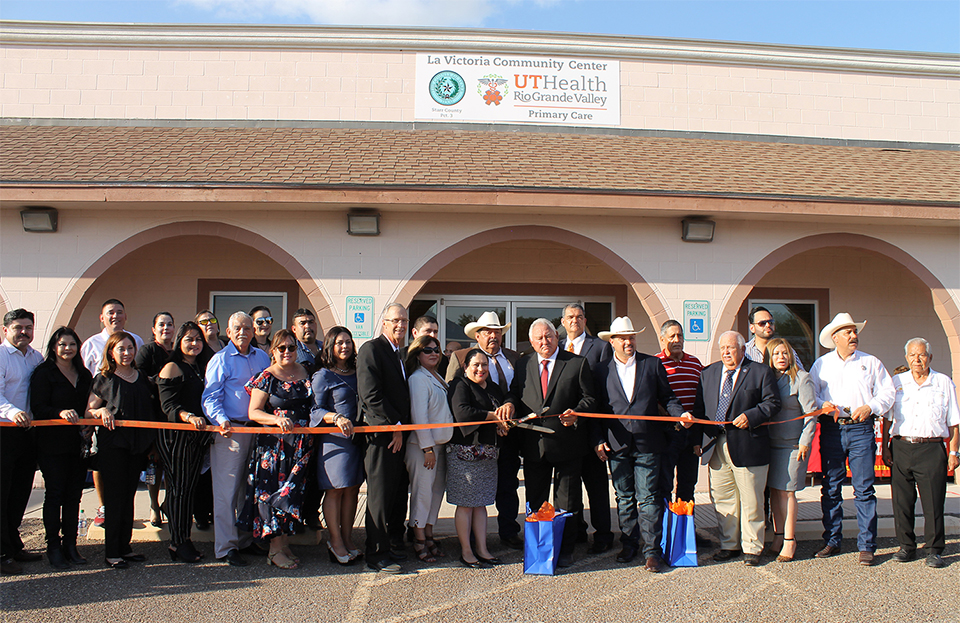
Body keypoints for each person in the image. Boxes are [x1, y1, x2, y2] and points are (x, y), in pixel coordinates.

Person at [593, 317, 687, 573]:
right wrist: (599, 440)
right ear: (612, 342)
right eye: (623, 338)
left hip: (649, 442)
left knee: (648, 499)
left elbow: (667, 398)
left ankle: (652, 551)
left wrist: (680, 414)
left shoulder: (652, 364)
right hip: (617, 444)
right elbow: (597, 408)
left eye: (631, 337)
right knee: (624, 498)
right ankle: (629, 543)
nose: (628, 342)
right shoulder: (601, 370)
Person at [502, 318, 597, 568]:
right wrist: (510, 403)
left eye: (549, 336)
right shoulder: (523, 364)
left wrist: (577, 411)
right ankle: (537, 549)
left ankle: (565, 550)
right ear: (532, 343)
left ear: (557, 336)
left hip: (568, 445)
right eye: (539, 339)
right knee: (536, 501)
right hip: (535, 447)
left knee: (567, 503)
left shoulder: (576, 363)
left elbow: (590, 399)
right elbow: (516, 392)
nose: (545, 342)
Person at [685, 331, 780, 567]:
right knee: (723, 498)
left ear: (742, 349)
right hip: (715, 445)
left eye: (731, 348)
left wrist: (751, 416)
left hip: (748, 444)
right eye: (723, 348)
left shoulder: (760, 372)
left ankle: (752, 548)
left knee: (751, 499)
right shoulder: (708, 373)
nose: (727, 352)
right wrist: (697, 440)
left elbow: (773, 402)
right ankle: (730, 544)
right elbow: (699, 409)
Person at [809, 312, 894, 566]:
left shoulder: (871, 362)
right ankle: (832, 540)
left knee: (864, 489)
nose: (853, 336)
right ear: (835, 337)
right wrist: (825, 405)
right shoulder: (821, 364)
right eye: (847, 332)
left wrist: (870, 406)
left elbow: (888, 392)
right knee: (831, 487)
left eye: (854, 331)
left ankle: (867, 545)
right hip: (832, 430)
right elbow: (810, 394)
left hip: (861, 429)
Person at [446, 311, 524, 550]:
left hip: (507, 435)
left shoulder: (515, 358)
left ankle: (509, 531)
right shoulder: (460, 357)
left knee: (508, 485)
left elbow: (516, 389)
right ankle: (469, 539)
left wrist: (509, 403)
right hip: (474, 438)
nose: (493, 336)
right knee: (473, 491)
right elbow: (454, 396)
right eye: (488, 332)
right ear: (477, 336)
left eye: (497, 331)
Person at [881, 337, 960, 569]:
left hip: (932, 448)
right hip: (902, 446)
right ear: (906, 358)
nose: (917, 359)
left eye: (922, 355)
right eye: (912, 355)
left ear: (930, 357)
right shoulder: (896, 382)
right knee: (902, 502)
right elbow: (887, 417)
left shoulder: (943, 382)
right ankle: (906, 546)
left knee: (933, 503)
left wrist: (954, 452)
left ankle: (934, 550)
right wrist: (886, 446)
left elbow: (954, 422)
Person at [240, 330, 315, 570]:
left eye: (291, 348)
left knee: (290, 496)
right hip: (273, 450)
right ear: (272, 351)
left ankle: (283, 544)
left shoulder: (306, 373)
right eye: (281, 348)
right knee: (273, 495)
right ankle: (273, 550)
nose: (286, 352)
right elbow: (254, 412)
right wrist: (275, 420)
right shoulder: (267, 376)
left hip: (301, 447)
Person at [202, 311, 271, 567]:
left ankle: (244, 540)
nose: (243, 332)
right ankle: (226, 547)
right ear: (228, 333)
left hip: (257, 431)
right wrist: (220, 420)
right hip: (230, 432)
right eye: (237, 328)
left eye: (247, 328)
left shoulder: (262, 357)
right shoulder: (220, 360)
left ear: (254, 332)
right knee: (226, 492)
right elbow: (210, 397)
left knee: (248, 491)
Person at [85, 331, 158, 569]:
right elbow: (89, 411)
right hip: (113, 446)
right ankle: (112, 551)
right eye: (121, 349)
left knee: (128, 497)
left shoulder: (142, 377)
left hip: (137, 446)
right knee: (115, 498)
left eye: (130, 348)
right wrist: (100, 411)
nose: (126, 353)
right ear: (111, 352)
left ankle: (125, 548)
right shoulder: (104, 378)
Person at [29, 327, 93, 569]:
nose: (68, 349)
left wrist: (90, 426)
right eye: (62, 344)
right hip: (52, 444)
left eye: (72, 344)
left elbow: (90, 404)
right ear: (54, 347)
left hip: (77, 444)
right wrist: (59, 413)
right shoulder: (44, 373)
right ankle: (53, 546)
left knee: (73, 496)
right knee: (55, 494)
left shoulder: (84, 374)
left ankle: (70, 545)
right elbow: (38, 406)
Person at [79, 299, 144, 529]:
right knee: (105, 473)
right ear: (102, 317)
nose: (115, 316)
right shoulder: (91, 346)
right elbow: (87, 383)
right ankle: (103, 508)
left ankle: (124, 545)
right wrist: (96, 411)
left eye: (119, 312)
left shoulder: (136, 341)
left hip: (133, 438)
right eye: (110, 313)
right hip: (106, 427)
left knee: (128, 490)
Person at [357, 303, 411, 574]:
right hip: (382, 436)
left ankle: (390, 545)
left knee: (394, 494)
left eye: (403, 320)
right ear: (384, 323)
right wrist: (396, 426)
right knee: (378, 498)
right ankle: (376, 554)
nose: (400, 325)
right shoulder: (372, 349)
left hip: (397, 436)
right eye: (395, 320)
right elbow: (371, 395)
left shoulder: (397, 353)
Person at [559, 303, 614, 554]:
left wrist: (599, 434)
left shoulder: (601, 348)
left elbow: (602, 393)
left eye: (579, 317)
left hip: (591, 430)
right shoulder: (556, 347)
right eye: (570, 317)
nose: (574, 321)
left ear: (585, 320)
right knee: (570, 488)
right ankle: (577, 530)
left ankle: (603, 535)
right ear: (562, 321)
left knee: (597, 488)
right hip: (565, 433)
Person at [156, 321, 211, 563]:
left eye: (198, 339)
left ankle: (180, 533)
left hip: (197, 437)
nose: (194, 343)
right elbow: (167, 405)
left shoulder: (200, 367)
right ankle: (178, 542)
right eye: (189, 339)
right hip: (176, 438)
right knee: (179, 490)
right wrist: (188, 417)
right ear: (179, 341)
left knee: (188, 489)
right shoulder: (172, 367)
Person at [310, 326, 364, 565]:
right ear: (330, 346)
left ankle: (347, 537)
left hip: (356, 441)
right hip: (334, 441)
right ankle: (335, 541)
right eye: (339, 342)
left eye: (348, 342)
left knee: (352, 489)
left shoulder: (358, 372)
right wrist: (336, 417)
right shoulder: (323, 375)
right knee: (335, 489)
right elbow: (314, 410)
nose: (345, 346)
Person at [447, 349, 505, 568]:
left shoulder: (492, 387)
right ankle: (466, 551)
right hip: (464, 454)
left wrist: (503, 419)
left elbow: (505, 401)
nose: (481, 369)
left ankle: (482, 549)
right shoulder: (459, 385)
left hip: (488, 454)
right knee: (465, 505)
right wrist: (493, 416)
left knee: (481, 504)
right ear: (465, 367)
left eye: (485, 365)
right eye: (476, 365)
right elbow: (463, 413)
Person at [763, 338, 817, 563]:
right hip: (771, 444)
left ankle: (790, 540)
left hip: (793, 445)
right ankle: (777, 535)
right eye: (776, 354)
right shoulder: (768, 379)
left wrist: (806, 441)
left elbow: (811, 413)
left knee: (788, 492)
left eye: (785, 353)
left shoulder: (802, 379)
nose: (781, 357)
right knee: (775, 491)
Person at [0, 309, 44, 574]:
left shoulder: (35, 357)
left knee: (19, 493)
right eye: (18, 328)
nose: (24, 332)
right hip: (4, 432)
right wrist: (12, 411)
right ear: (6, 330)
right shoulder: (1, 356)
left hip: (28, 434)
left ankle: (13, 545)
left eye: (28, 327)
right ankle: (2, 554)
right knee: (2, 495)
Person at [655, 320, 706, 546]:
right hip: (666, 434)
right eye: (672, 336)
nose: (677, 340)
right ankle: (665, 533)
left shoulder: (695, 364)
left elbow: (701, 400)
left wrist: (698, 435)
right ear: (663, 339)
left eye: (680, 336)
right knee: (664, 485)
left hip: (691, 435)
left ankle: (686, 533)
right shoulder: (655, 363)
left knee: (687, 484)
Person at [405, 334, 453, 563]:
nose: (433, 353)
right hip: (423, 448)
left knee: (435, 494)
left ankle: (429, 533)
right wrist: (427, 449)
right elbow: (419, 416)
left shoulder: (436, 376)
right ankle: (418, 538)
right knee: (422, 494)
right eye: (427, 350)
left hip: (441, 446)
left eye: (436, 349)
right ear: (417, 354)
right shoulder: (417, 379)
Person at [134, 311, 176, 528]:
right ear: (154, 329)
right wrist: (156, 380)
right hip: (153, 416)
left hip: (173, 418)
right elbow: (136, 375)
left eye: (169, 324)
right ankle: (153, 504)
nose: (166, 328)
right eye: (161, 324)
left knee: (170, 464)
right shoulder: (147, 351)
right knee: (154, 464)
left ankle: (169, 503)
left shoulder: (177, 351)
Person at [192, 309, 221, 529]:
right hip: (202, 417)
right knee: (203, 470)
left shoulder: (227, 346)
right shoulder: (197, 350)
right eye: (203, 321)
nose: (209, 324)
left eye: (212, 320)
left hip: (224, 421)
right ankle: (201, 513)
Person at [291, 308, 322, 373]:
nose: (307, 326)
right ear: (294, 329)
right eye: (302, 323)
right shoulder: (290, 351)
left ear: (316, 325)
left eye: (311, 322)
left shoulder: (326, 348)